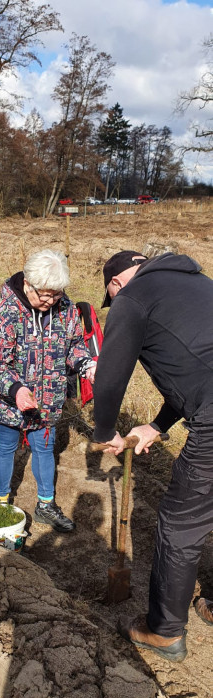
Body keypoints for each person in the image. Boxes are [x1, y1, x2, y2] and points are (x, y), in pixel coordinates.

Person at [92, 249, 213, 661]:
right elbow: (195, 368)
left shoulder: (131, 298)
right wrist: (158, 425)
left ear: (115, 283)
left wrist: (105, 432)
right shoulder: (196, 283)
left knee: (181, 525)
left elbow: (110, 375)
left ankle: (163, 631)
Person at [0, 249, 95, 533]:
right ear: (27, 283)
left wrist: (84, 364)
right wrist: (15, 389)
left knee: (45, 448)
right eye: (44, 294)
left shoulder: (64, 308)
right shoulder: (2, 314)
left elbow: (74, 345)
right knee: (5, 447)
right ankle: (2, 502)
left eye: (56, 294)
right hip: (8, 401)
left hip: (48, 400)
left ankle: (45, 505)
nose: (50, 301)